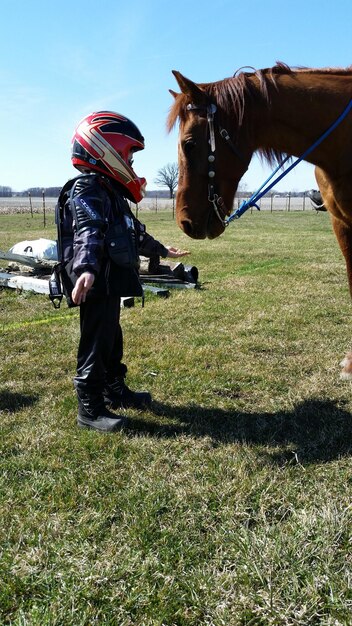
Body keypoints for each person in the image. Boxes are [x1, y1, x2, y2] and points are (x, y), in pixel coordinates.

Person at [59, 111, 189, 432]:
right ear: (107, 151)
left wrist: (162, 250)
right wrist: (86, 269)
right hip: (95, 282)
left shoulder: (111, 193)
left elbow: (134, 232)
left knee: (112, 338)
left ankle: (114, 388)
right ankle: (89, 408)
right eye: (128, 154)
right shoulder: (86, 190)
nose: (131, 162)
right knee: (96, 341)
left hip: (109, 283)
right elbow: (87, 230)